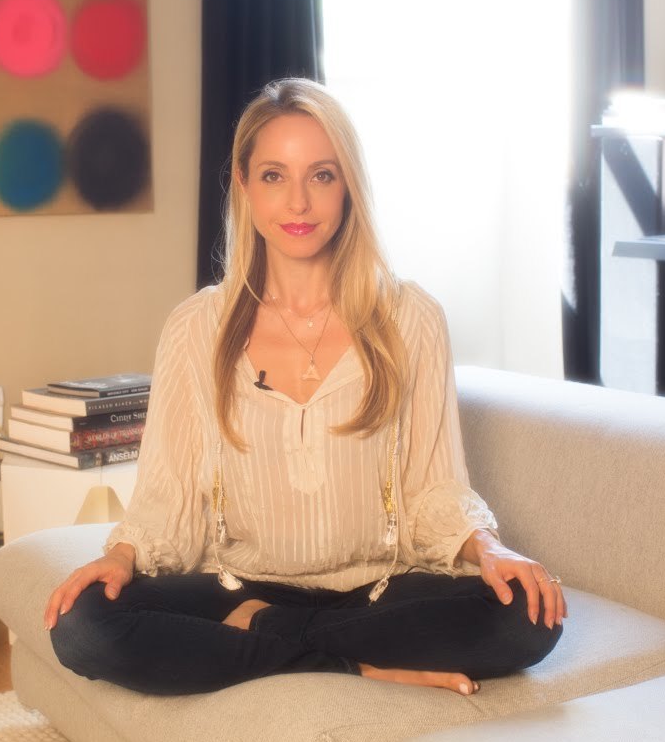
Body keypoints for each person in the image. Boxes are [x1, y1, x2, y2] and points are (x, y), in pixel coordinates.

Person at [44, 78, 566, 697]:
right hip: (236, 587)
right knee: (83, 626)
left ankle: (268, 636)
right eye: (274, 176)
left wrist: (488, 549)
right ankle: (356, 667)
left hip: (379, 590)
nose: (298, 202)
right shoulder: (195, 327)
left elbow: (433, 486)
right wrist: (121, 557)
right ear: (244, 185)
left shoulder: (412, 318)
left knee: (528, 618)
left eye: (321, 175)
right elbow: (169, 493)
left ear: (348, 186)